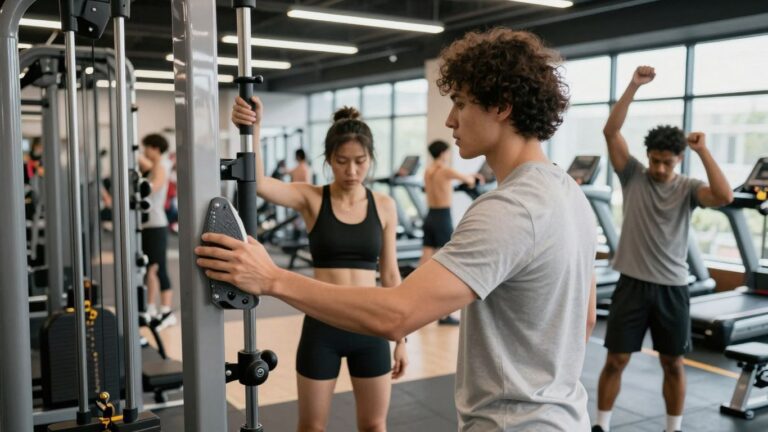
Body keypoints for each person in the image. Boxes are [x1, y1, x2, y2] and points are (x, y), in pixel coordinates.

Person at [198, 28, 598, 431]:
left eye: (460, 103)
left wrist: (272, 278)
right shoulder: (569, 193)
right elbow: (584, 320)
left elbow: (399, 313)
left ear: (502, 106)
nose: (450, 119)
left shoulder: (509, 209)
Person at [229, 97, 408, 431]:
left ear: (371, 159)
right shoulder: (312, 198)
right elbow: (260, 183)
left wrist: (402, 339)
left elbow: (390, 273)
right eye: (342, 161)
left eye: (360, 161)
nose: (351, 171)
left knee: (374, 425)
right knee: (311, 427)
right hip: (322, 328)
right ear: (328, 160)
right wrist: (254, 128)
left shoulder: (384, 205)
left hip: (371, 326)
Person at [592, 66, 733, 432]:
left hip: (672, 288)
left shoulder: (688, 187)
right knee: (616, 360)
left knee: (673, 364)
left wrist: (703, 151)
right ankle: (600, 426)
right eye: (654, 159)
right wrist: (633, 86)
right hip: (632, 284)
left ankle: (673, 429)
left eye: (666, 162)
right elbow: (611, 131)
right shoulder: (633, 175)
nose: (657, 167)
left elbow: (724, 196)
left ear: (679, 159)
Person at [420, 139, 483, 325]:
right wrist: (475, 177)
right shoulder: (445, 171)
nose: (449, 155)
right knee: (447, 264)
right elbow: (469, 180)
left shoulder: (428, 171)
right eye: (447, 152)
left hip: (430, 215)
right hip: (442, 217)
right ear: (442, 153)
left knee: (425, 258)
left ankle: (418, 296)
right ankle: (443, 314)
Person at [138, 134, 177, 331]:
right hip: (148, 224)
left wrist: (140, 188)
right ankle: (151, 307)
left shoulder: (162, 165)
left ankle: (167, 312)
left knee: (159, 268)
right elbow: (143, 163)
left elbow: (156, 186)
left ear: (155, 148)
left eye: (146, 147)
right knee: (149, 268)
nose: (144, 151)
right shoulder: (155, 165)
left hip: (157, 225)